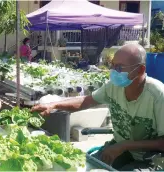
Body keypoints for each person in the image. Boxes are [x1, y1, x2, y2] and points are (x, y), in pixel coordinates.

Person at [32, 43, 164, 171]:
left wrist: (124, 145)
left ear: (140, 70)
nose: (113, 71)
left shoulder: (158, 96)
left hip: (150, 158)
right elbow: (86, 101)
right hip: (120, 148)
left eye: (119, 68)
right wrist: (53, 105)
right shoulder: (113, 86)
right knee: (86, 167)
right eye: (112, 66)